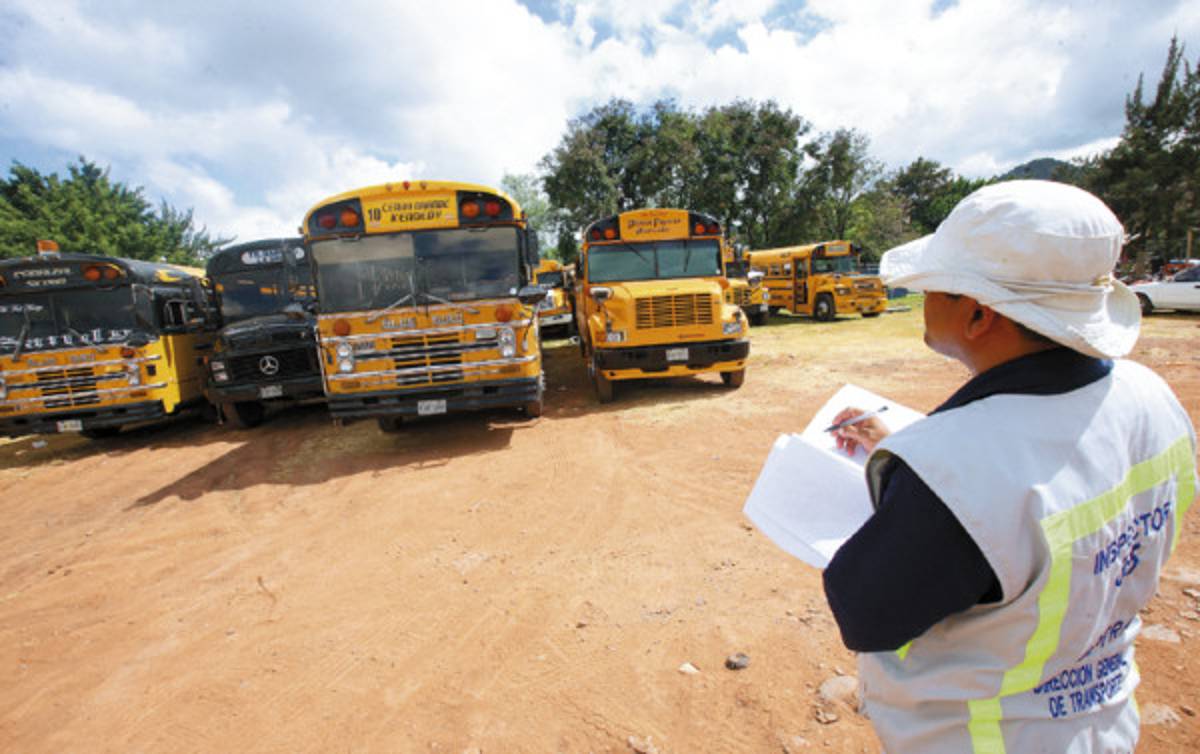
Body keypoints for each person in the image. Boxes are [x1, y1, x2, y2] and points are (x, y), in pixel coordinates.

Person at [821, 180, 1197, 753]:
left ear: (976, 315)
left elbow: (866, 615)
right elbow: (1048, 468)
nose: (924, 298)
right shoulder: (1152, 396)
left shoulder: (954, 468)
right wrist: (927, 451)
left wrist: (930, 473)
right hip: (1104, 726)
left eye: (936, 286)